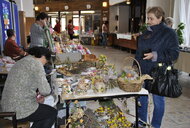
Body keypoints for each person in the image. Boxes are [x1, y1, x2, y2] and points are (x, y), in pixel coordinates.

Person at [135, 7, 179, 128]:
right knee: (142, 100)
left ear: (160, 18)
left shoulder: (170, 33)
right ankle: (141, 123)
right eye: (148, 18)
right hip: (143, 71)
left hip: (159, 73)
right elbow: (139, 52)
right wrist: (135, 67)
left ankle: (155, 125)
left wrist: (155, 55)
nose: (148, 21)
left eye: (151, 18)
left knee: (158, 102)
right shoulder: (146, 31)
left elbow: (174, 53)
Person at [1, 47, 57, 128]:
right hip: (19, 110)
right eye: (46, 62)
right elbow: (46, 91)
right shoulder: (36, 64)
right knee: (51, 113)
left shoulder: (22, 61)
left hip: (7, 107)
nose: (44, 64)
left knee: (45, 111)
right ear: (43, 57)